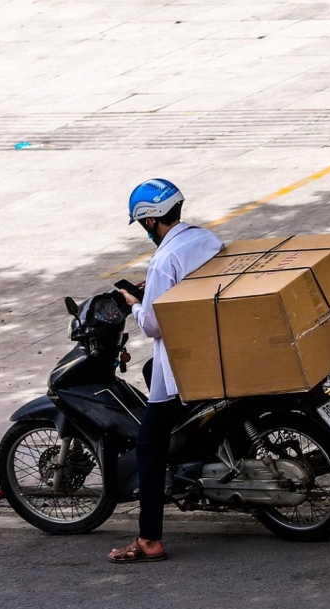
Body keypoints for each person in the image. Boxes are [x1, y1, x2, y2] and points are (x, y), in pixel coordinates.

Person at [110, 178, 222, 564]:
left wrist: (133, 303)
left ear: (148, 221)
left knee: (149, 445)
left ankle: (149, 539)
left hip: (182, 361)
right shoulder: (206, 239)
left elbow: (155, 326)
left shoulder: (163, 260)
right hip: (219, 347)